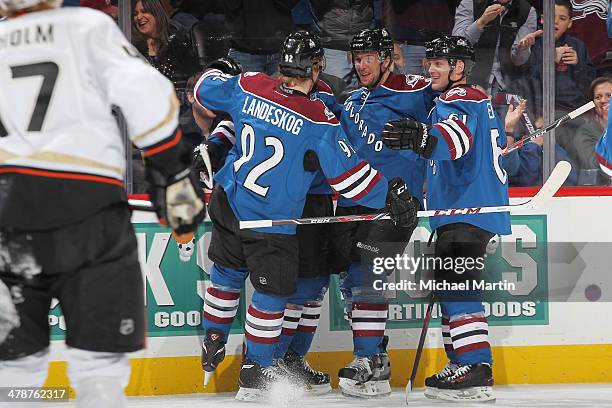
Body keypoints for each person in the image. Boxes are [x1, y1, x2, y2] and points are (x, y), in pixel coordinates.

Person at [0, 3, 206, 408]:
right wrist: (172, 174)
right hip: (86, 204)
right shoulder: (85, 25)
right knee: (98, 369)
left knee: (13, 365)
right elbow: (148, 95)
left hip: (10, 212)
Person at [195, 30, 419, 401]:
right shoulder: (317, 115)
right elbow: (352, 180)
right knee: (271, 291)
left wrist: (218, 71)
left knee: (226, 274)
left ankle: (214, 336)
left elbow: (205, 89)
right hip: (272, 217)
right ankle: (256, 369)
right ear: (315, 67)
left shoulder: (250, 84)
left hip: (229, 201)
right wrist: (391, 194)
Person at [382, 35, 512, 402]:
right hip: (468, 210)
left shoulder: (458, 99)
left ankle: (475, 366)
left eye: (439, 63)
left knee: (458, 286)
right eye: (430, 62)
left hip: (466, 210)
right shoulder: (479, 102)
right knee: (453, 286)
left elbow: (453, 142)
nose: (430, 68)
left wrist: (423, 136)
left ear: (459, 68)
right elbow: (494, 149)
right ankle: (461, 363)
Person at [316, 27, 435, 398]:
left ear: (387, 58)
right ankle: (377, 360)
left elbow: (453, 107)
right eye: (357, 57)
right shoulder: (350, 99)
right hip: (352, 202)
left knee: (368, 277)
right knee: (350, 281)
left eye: (368, 56)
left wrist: (426, 131)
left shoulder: (416, 89)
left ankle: (366, 359)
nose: (361, 64)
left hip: (396, 205)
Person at [522, 0, 596, 152]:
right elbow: (527, 83)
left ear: (570, 23)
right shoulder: (534, 45)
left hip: (576, 114)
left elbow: (589, 87)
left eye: (562, 18)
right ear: (542, 19)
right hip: (544, 113)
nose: (555, 21)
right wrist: (550, 61)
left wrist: (578, 65)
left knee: (586, 150)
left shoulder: (578, 46)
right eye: (552, 16)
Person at [452, 0, 537, 96]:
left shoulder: (527, 11)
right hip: (471, 82)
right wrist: (481, 22)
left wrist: (522, 48)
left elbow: (518, 60)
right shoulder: (470, 2)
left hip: (509, 87)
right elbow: (457, 44)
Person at [565, 77, 612, 183]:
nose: (603, 100)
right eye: (598, 97)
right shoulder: (585, 132)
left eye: (609, 95)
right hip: (599, 193)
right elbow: (597, 166)